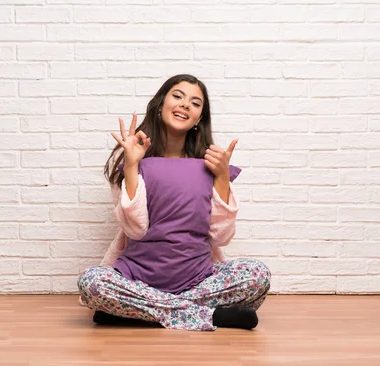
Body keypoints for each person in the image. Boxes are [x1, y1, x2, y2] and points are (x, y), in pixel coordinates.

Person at [77, 74, 271, 331]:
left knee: (258, 274)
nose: (185, 105)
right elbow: (135, 230)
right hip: (137, 279)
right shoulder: (131, 157)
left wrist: (223, 176)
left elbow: (220, 237)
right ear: (160, 105)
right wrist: (132, 166)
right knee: (92, 283)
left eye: (195, 102)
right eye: (177, 96)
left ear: (199, 117)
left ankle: (137, 312)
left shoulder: (211, 164)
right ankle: (210, 316)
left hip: (198, 280)